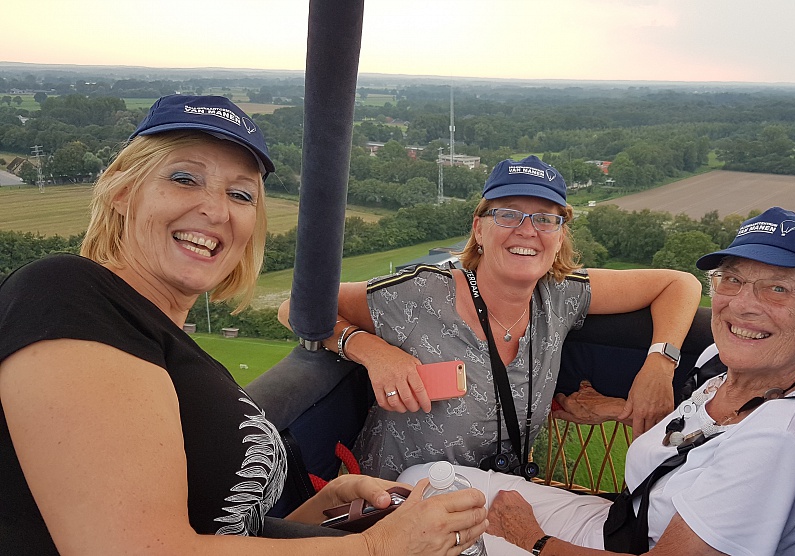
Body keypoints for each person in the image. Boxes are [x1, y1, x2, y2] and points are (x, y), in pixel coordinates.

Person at [0, 94, 486, 555]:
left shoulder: (173, 349)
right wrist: (377, 547)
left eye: (240, 194)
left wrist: (324, 510)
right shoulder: (66, 294)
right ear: (122, 191)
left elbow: (223, 530)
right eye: (185, 178)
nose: (216, 210)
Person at [398, 207, 795, 555]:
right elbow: (702, 439)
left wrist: (532, 540)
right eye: (733, 281)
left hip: (630, 545)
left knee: (426, 538)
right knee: (419, 486)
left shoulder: (777, 444)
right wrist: (617, 407)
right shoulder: (725, 365)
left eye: (777, 288)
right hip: (625, 523)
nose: (742, 305)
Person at [278, 155, 702, 480]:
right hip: (393, 503)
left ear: (559, 238)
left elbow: (679, 284)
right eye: (508, 214)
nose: (527, 230)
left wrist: (659, 364)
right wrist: (371, 350)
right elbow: (296, 306)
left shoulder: (561, 295)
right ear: (479, 229)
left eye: (545, 219)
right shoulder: (421, 293)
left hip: (494, 501)